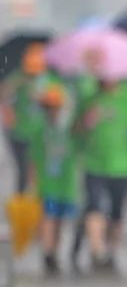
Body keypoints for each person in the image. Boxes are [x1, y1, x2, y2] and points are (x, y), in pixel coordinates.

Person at [73, 76, 127, 271]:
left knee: (116, 212)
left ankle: (111, 250)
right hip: (94, 163)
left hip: (121, 166)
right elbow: (74, 129)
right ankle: (97, 251)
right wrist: (86, 122)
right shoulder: (90, 99)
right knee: (94, 206)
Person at [26, 84, 79, 275]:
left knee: (60, 222)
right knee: (48, 218)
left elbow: (79, 150)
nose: (53, 111)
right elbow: (33, 159)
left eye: (55, 107)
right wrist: (32, 183)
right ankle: (48, 253)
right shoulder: (39, 130)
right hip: (47, 183)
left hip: (66, 184)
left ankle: (54, 251)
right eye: (49, 107)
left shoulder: (70, 129)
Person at [2, 44, 56, 194]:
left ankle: (39, 199)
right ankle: (22, 200)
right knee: (23, 170)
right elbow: (4, 95)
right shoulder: (18, 77)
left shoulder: (49, 80)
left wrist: (43, 98)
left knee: (40, 170)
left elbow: (58, 105)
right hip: (18, 132)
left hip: (41, 133)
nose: (33, 75)